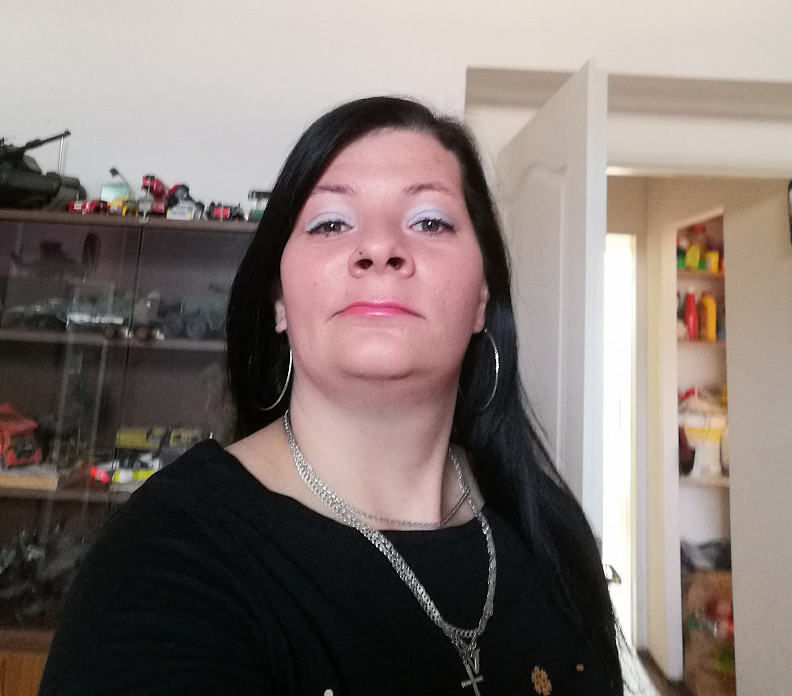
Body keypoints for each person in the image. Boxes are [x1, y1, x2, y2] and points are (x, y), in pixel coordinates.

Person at [40, 95, 624, 695]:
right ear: (279, 301)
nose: (379, 247)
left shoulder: (549, 532)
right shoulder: (165, 558)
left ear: (481, 299)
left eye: (430, 221)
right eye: (331, 223)